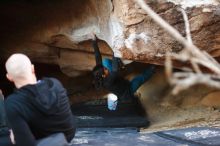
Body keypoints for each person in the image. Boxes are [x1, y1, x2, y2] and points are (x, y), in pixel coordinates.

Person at [4, 53, 76, 146]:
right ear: (32, 68)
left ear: (9, 77)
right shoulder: (54, 84)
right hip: (68, 137)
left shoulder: (13, 103)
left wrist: (16, 138)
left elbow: (26, 143)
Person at [91, 34, 155, 102]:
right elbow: (115, 70)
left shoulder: (98, 74)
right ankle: (153, 69)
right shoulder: (107, 82)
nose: (105, 68)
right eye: (105, 69)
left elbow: (97, 57)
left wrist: (94, 41)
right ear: (104, 75)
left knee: (105, 62)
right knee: (140, 79)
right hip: (127, 91)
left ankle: (120, 63)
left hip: (120, 80)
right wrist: (115, 51)